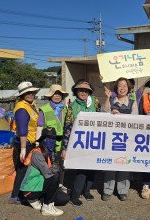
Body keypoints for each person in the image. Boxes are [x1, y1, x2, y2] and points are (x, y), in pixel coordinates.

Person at [62, 79, 102, 207]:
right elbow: (68, 128)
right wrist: (65, 148)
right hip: (79, 142)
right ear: (76, 91)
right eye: (81, 90)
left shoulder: (95, 102)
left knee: (92, 168)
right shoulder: (72, 106)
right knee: (81, 170)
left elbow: (103, 117)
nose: (83, 92)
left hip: (94, 140)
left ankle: (86, 191)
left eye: (86, 90)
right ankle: (75, 195)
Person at [102, 77, 137, 201]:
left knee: (124, 164)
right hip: (111, 139)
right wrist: (107, 98)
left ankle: (123, 190)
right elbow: (103, 112)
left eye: (125, 86)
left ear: (128, 89)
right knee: (110, 164)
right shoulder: (111, 101)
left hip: (126, 140)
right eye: (119, 86)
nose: (122, 88)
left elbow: (135, 120)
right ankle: (107, 190)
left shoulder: (133, 103)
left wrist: (120, 116)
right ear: (116, 89)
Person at [20, 128, 70, 216]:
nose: (52, 141)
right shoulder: (37, 154)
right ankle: (46, 207)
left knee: (64, 198)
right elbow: (48, 174)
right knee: (54, 177)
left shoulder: (51, 154)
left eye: (53, 139)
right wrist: (58, 167)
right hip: (30, 190)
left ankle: (41, 200)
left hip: (40, 185)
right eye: (49, 139)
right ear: (43, 140)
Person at [9, 81, 40, 204]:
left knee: (26, 169)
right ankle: (14, 196)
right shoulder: (22, 108)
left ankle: (21, 193)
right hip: (25, 142)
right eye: (27, 92)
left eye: (31, 92)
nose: (30, 94)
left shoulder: (31, 105)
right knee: (22, 169)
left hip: (30, 141)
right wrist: (23, 149)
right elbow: (22, 129)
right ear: (22, 95)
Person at [36, 84, 69, 194]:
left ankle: (60, 184)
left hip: (62, 143)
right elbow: (40, 127)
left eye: (59, 94)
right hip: (48, 144)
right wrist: (37, 143)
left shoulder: (65, 109)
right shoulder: (44, 109)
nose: (57, 96)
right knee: (49, 165)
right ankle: (49, 186)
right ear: (50, 96)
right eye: (55, 94)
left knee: (62, 164)